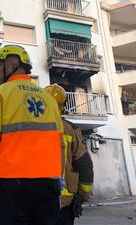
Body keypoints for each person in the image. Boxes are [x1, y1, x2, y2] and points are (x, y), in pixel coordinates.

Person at [0, 45, 64, 225]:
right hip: (47, 187)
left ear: (12, 63)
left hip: (9, 188)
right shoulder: (50, 99)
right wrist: (58, 179)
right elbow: (60, 145)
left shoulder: (0, 94)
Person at [44, 84, 94, 225]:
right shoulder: (71, 129)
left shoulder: (32, 127)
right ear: (63, 105)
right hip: (65, 202)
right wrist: (82, 196)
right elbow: (84, 164)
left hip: (38, 199)